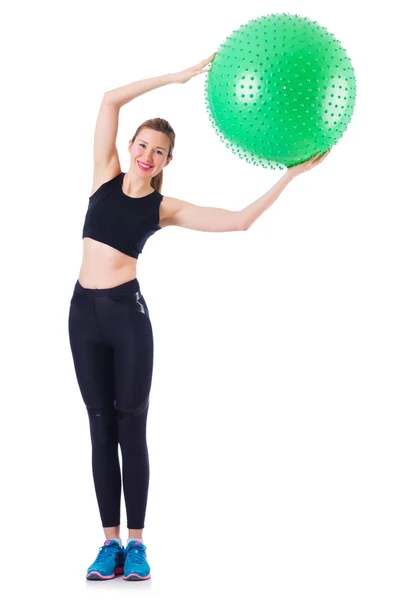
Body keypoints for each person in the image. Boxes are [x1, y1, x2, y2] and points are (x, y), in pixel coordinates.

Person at [68, 52, 330, 582]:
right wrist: (177, 76)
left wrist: (291, 176)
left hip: (126, 318)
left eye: (158, 151)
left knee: (130, 429)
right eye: (141, 145)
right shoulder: (103, 175)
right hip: (81, 314)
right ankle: (107, 545)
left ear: (166, 162)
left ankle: (137, 546)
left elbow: (238, 223)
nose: (146, 154)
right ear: (130, 147)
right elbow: (109, 99)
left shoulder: (164, 208)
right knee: (99, 430)